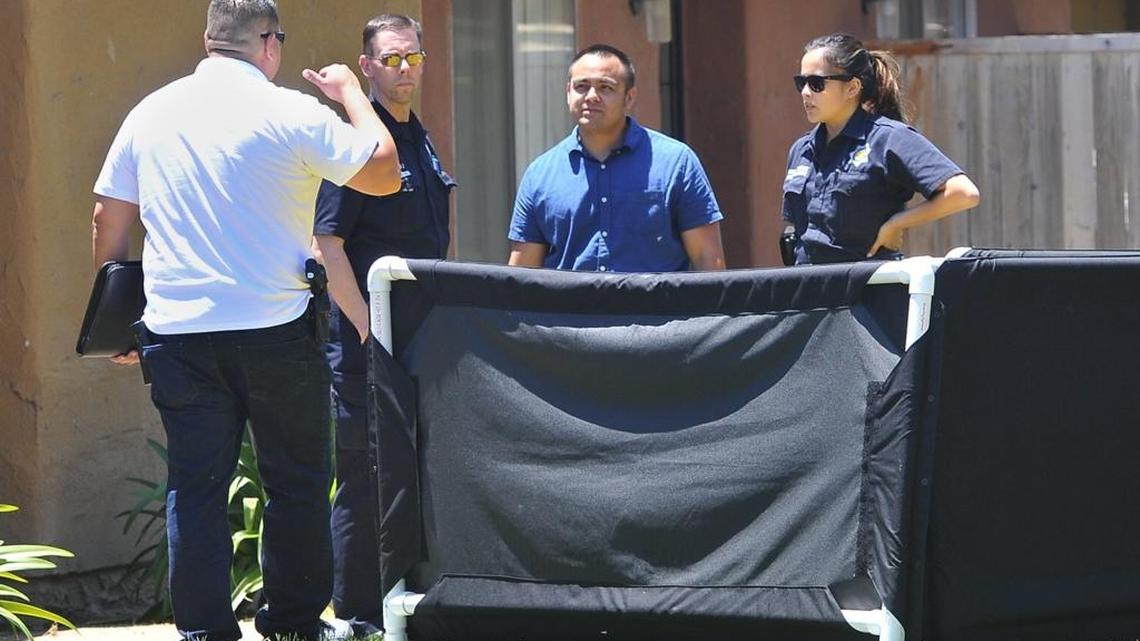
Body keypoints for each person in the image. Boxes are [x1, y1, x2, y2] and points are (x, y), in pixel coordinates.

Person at [90, 1, 401, 639]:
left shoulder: (150, 111)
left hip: (176, 332)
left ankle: (203, 632)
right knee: (296, 480)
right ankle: (291, 624)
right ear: (267, 42)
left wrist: (121, 316)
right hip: (276, 329)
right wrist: (350, 94)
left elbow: (108, 219)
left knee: (195, 486)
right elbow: (384, 172)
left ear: (211, 41)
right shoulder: (290, 110)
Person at [311, 13, 454, 639]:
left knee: (407, 471)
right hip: (367, 343)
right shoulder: (358, 141)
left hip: (419, 338)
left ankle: (403, 599)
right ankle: (358, 614)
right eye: (392, 59)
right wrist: (370, 332)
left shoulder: (416, 137)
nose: (405, 70)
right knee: (365, 477)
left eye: (414, 58)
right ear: (366, 66)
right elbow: (327, 244)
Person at [508, 44, 725, 272]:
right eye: (582, 86)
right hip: (570, 308)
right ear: (568, 93)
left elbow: (708, 259)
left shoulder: (676, 163)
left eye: (605, 87)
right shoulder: (540, 174)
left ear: (629, 98)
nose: (592, 96)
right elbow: (523, 274)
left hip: (654, 308)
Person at [782, 33, 980, 265]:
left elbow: (963, 194)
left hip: (866, 292)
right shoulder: (802, 149)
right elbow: (795, 229)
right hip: (808, 292)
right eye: (801, 83)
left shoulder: (888, 138)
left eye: (817, 84)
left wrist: (897, 223)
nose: (806, 92)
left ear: (852, 88)